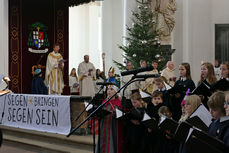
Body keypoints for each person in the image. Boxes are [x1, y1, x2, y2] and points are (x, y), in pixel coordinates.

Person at [96, 85, 122, 153]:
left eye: (111, 89)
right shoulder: (104, 101)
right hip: (104, 124)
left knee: (110, 140)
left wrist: (115, 112)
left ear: (116, 92)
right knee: (102, 140)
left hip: (112, 125)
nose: (109, 91)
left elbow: (120, 115)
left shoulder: (118, 102)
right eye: (108, 89)